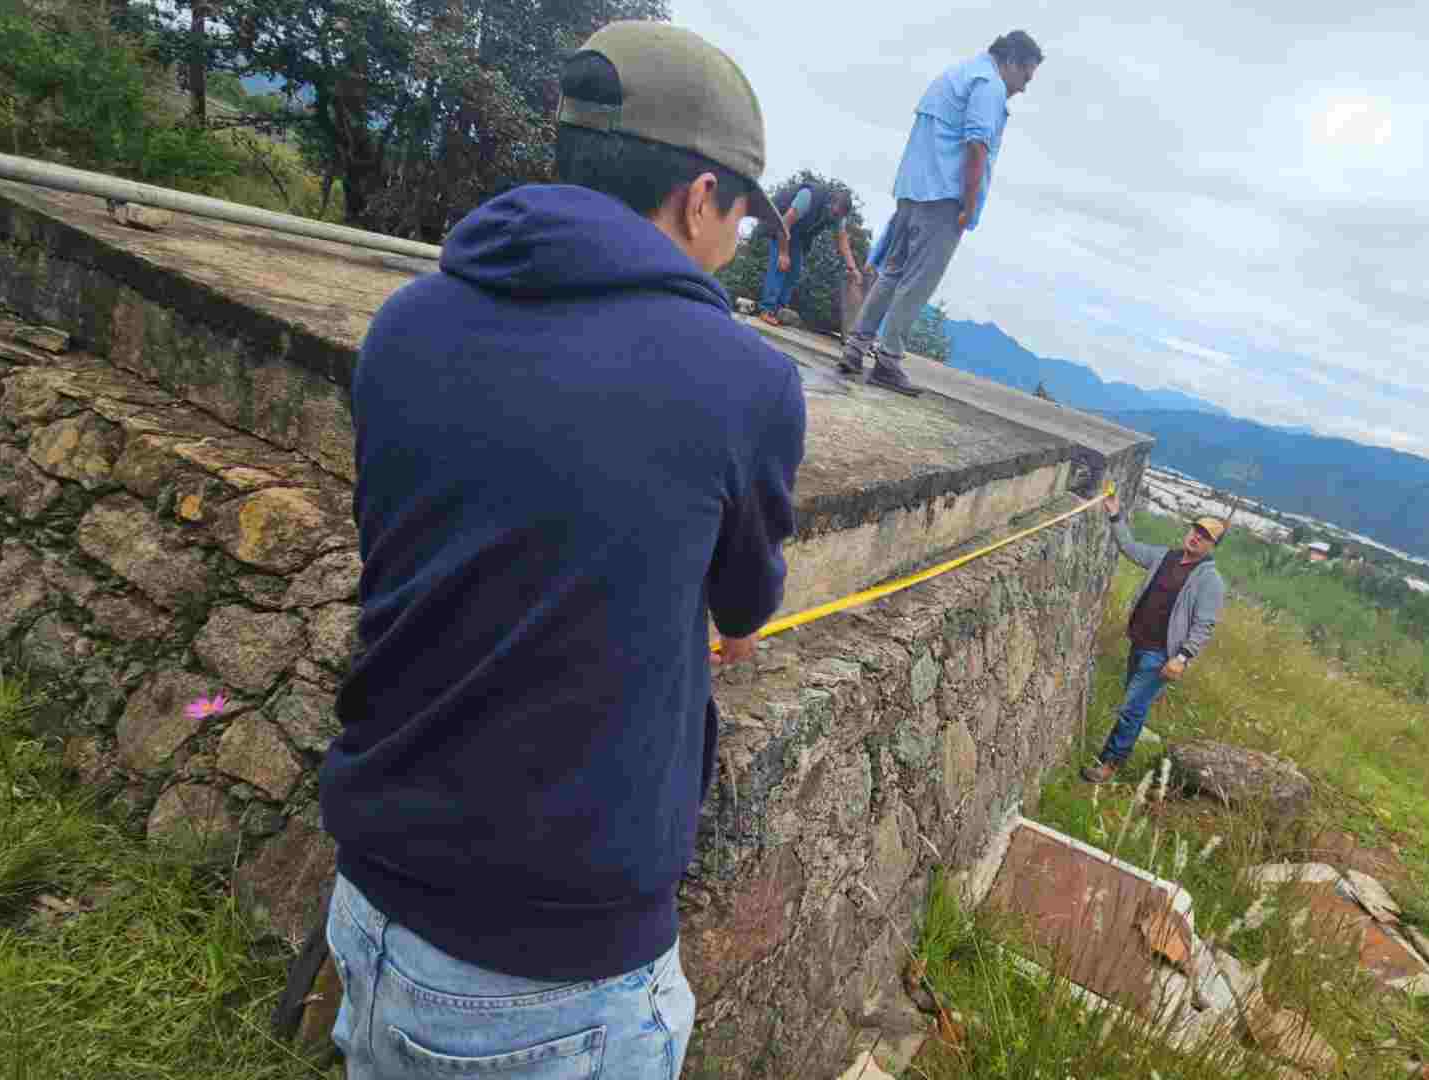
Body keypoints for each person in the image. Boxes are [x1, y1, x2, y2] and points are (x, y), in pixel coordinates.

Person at [319, 21, 805, 1079]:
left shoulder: (407, 323)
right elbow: (747, 604)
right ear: (698, 197)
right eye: (739, 214)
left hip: (370, 897)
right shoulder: (745, 384)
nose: (737, 240)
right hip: (556, 979)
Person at [839, 30, 1044, 396]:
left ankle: (855, 348)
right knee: (917, 282)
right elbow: (977, 143)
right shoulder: (989, 85)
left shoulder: (956, 74)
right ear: (1011, 61)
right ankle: (888, 360)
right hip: (944, 197)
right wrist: (969, 202)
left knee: (892, 273)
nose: (1024, 88)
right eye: (1025, 76)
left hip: (912, 190)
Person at [1081, 491, 1227, 784]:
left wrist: (1182, 658)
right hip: (1139, 642)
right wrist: (1114, 514)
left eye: (1205, 536)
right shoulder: (1165, 556)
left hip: (1162, 654)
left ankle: (1110, 764)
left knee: (1131, 707)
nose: (1196, 537)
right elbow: (1130, 547)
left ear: (1212, 546)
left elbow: (1204, 625)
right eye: (1195, 530)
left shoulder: (1209, 580)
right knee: (1135, 706)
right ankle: (1112, 755)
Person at [757, 180, 860, 325]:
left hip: (798, 234)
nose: (835, 218)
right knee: (780, 265)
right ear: (830, 203)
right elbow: (784, 223)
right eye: (835, 213)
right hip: (779, 223)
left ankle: (779, 310)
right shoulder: (808, 197)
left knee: (795, 270)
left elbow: (842, 239)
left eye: (839, 216)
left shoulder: (837, 214)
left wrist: (852, 268)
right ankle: (766, 309)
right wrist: (783, 253)